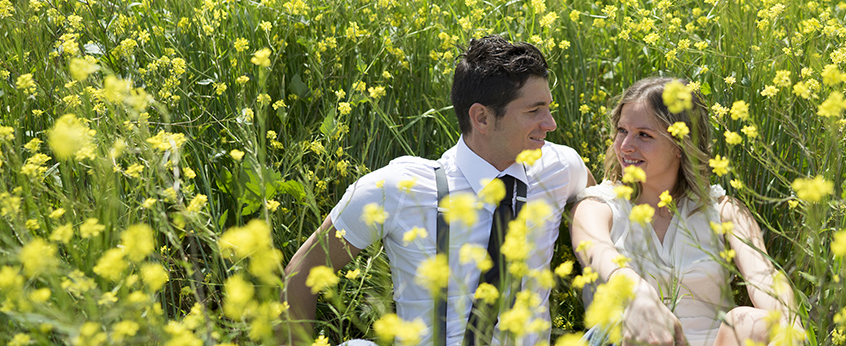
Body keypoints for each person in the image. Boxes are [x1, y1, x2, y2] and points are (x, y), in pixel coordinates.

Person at [283, 35, 595, 346]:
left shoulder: (560, 167)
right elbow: (302, 273)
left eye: (548, 108)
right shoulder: (397, 189)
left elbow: (601, 213)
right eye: (534, 111)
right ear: (482, 117)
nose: (551, 123)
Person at [570, 77, 800, 346]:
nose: (625, 146)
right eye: (622, 130)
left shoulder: (722, 210)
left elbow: (762, 275)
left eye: (644, 135)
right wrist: (637, 293)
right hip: (630, 339)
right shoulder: (597, 206)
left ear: (680, 144)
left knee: (751, 323)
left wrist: (789, 324)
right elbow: (599, 254)